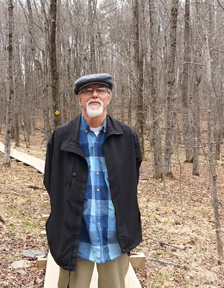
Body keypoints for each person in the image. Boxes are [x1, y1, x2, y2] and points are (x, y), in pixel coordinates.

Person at [44, 73, 143, 288]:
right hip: (75, 236)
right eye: (88, 91)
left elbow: (130, 182)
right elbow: (51, 182)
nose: (94, 95)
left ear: (109, 98)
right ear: (79, 99)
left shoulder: (127, 137)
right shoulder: (61, 137)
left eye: (101, 91)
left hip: (115, 236)